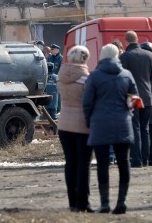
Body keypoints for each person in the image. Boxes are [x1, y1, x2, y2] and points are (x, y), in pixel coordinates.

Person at [83, 44, 138, 214]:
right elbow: (135, 99)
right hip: (123, 123)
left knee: (102, 165)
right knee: (123, 163)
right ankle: (122, 202)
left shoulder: (94, 76)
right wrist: (129, 113)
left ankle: (105, 203)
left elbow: (87, 103)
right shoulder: (127, 75)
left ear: (101, 56)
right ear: (117, 56)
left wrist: (89, 121)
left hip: (100, 124)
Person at [57, 45, 94, 213]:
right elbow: (90, 102)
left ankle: (72, 202)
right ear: (85, 59)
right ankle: (83, 202)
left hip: (64, 124)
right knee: (83, 164)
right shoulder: (86, 79)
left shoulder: (61, 76)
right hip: (82, 125)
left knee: (70, 163)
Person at [119, 30, 152, 168]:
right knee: (145, 128)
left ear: (126, 41)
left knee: (135, 128)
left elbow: (122, 79)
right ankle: (145, 159)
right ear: (137, 39)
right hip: (147, 96)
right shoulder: (149, 55)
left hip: (133, 96)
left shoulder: (125, 57)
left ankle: (136, 160)